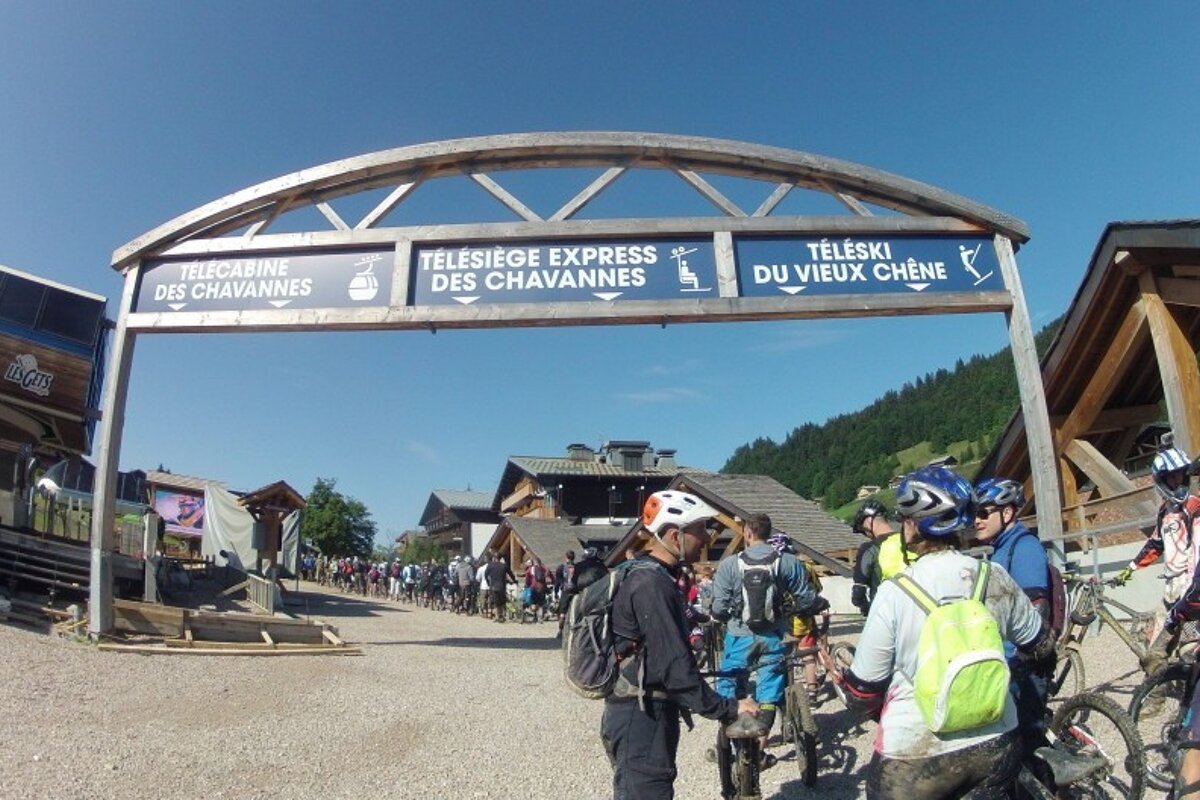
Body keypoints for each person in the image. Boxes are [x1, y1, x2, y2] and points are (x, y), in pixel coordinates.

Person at [841, 466, 1053, 800]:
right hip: (996, 741)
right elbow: (1040, 644)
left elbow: (863, 691)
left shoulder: (895, 591)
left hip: (914, 753)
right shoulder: (992, 575)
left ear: (912, 524)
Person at [602, 490, 757, 800]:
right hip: (642, 716)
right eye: (700, 530)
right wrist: (727, 707)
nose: (706, 539)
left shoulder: (650, 574)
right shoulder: (652, 585)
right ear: (675, 536)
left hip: (641, 708)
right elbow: (675, 668)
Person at [710, 512, 820, 767]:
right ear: (769, 534)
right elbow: (805, 598)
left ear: (747, 533)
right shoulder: (788, 562)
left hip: (738, 636)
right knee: (769, 690)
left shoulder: (728, 565)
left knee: (729, 683)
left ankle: (731, 743)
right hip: (774, 635)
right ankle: (759, 749)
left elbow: (718, 609)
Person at [971, 476, 1052, 762]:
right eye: (973, 514)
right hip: (1004, 663)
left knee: (1027, 752)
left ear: (1007, 513)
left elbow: (1037, 610)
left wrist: (1017, 661)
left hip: (1023, 668)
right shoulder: (1000, 549)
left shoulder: (1024, 547)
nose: (976, 520)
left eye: (983, 513)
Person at [1116, 445, 1200, 644]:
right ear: (1161, 480)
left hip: (1189, 585)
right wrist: (1131, 568)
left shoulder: (1194, 507)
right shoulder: (1164, 512)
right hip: (1171, 585)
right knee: (1155, 643)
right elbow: (1155, 543)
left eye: (1180, 475)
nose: (1177, 481)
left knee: (1188, 645)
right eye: (1171, 477)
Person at [850, 499, 893, 615]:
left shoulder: (869, 549)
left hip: (883, 613)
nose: (866, 534)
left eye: (864, 530)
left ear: (869, 522)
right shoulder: (909, 542)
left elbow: (858, 593)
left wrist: (866, 608)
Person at [484, 552, 516, 622]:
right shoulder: (504, 566)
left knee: (495, 602)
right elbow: (511, 574)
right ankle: (502, 616)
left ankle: (497, 617)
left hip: (493, 586)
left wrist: (488, 583)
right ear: (501, 558)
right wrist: (514, 581)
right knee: (502, 602)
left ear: (494, 558)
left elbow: (485, 575)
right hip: (502, 586)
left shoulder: (490, 565)